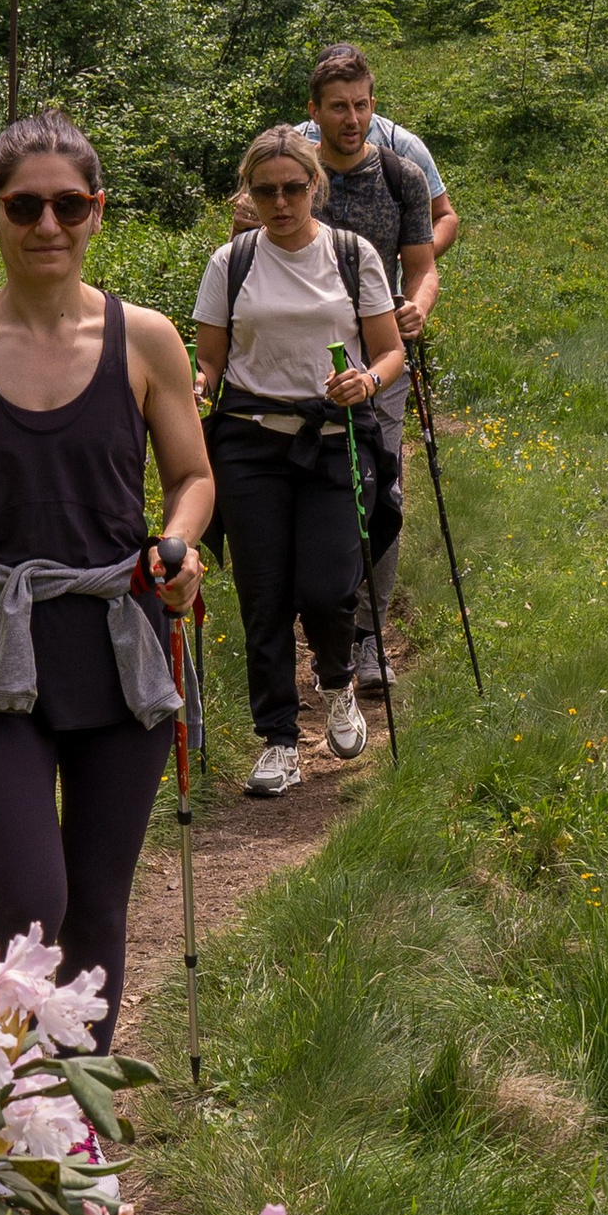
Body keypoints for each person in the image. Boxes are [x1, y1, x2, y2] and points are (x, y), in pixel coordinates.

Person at [0, 112, 213, 1051]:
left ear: (97, 212)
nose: (47, 225)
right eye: (23, 207)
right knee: (32, 899)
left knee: (99, 906)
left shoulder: (145, 340)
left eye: (70, 205)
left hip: (121, 644)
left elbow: (192, 476)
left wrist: (178, 547)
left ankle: (72, 1130)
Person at [192, 124, 406, 798]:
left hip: (334, 439)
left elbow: (389, 350)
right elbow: (210, 363)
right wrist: (190, 389)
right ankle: (279, 741)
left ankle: (337, 683)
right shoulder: (231, 262)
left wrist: (366, 382)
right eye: (265, 190)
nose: (280, 201)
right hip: (250, 442)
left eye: (292, 187)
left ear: (315, 185)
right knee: (263, 595)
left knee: (326, 585)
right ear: (248, 193)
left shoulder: (352, 254)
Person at [293, 47, 439, 694]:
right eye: (338, 107)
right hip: (301, 359)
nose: (351, 118)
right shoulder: (295, 177)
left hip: (382, 356)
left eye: (361, 105)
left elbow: (422, 263)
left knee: (382, 494)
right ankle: (321, 629)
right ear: (314, 110)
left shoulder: (403, 177)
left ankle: (369, 639)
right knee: (307, 492)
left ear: (373, 105)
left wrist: (418, 309)